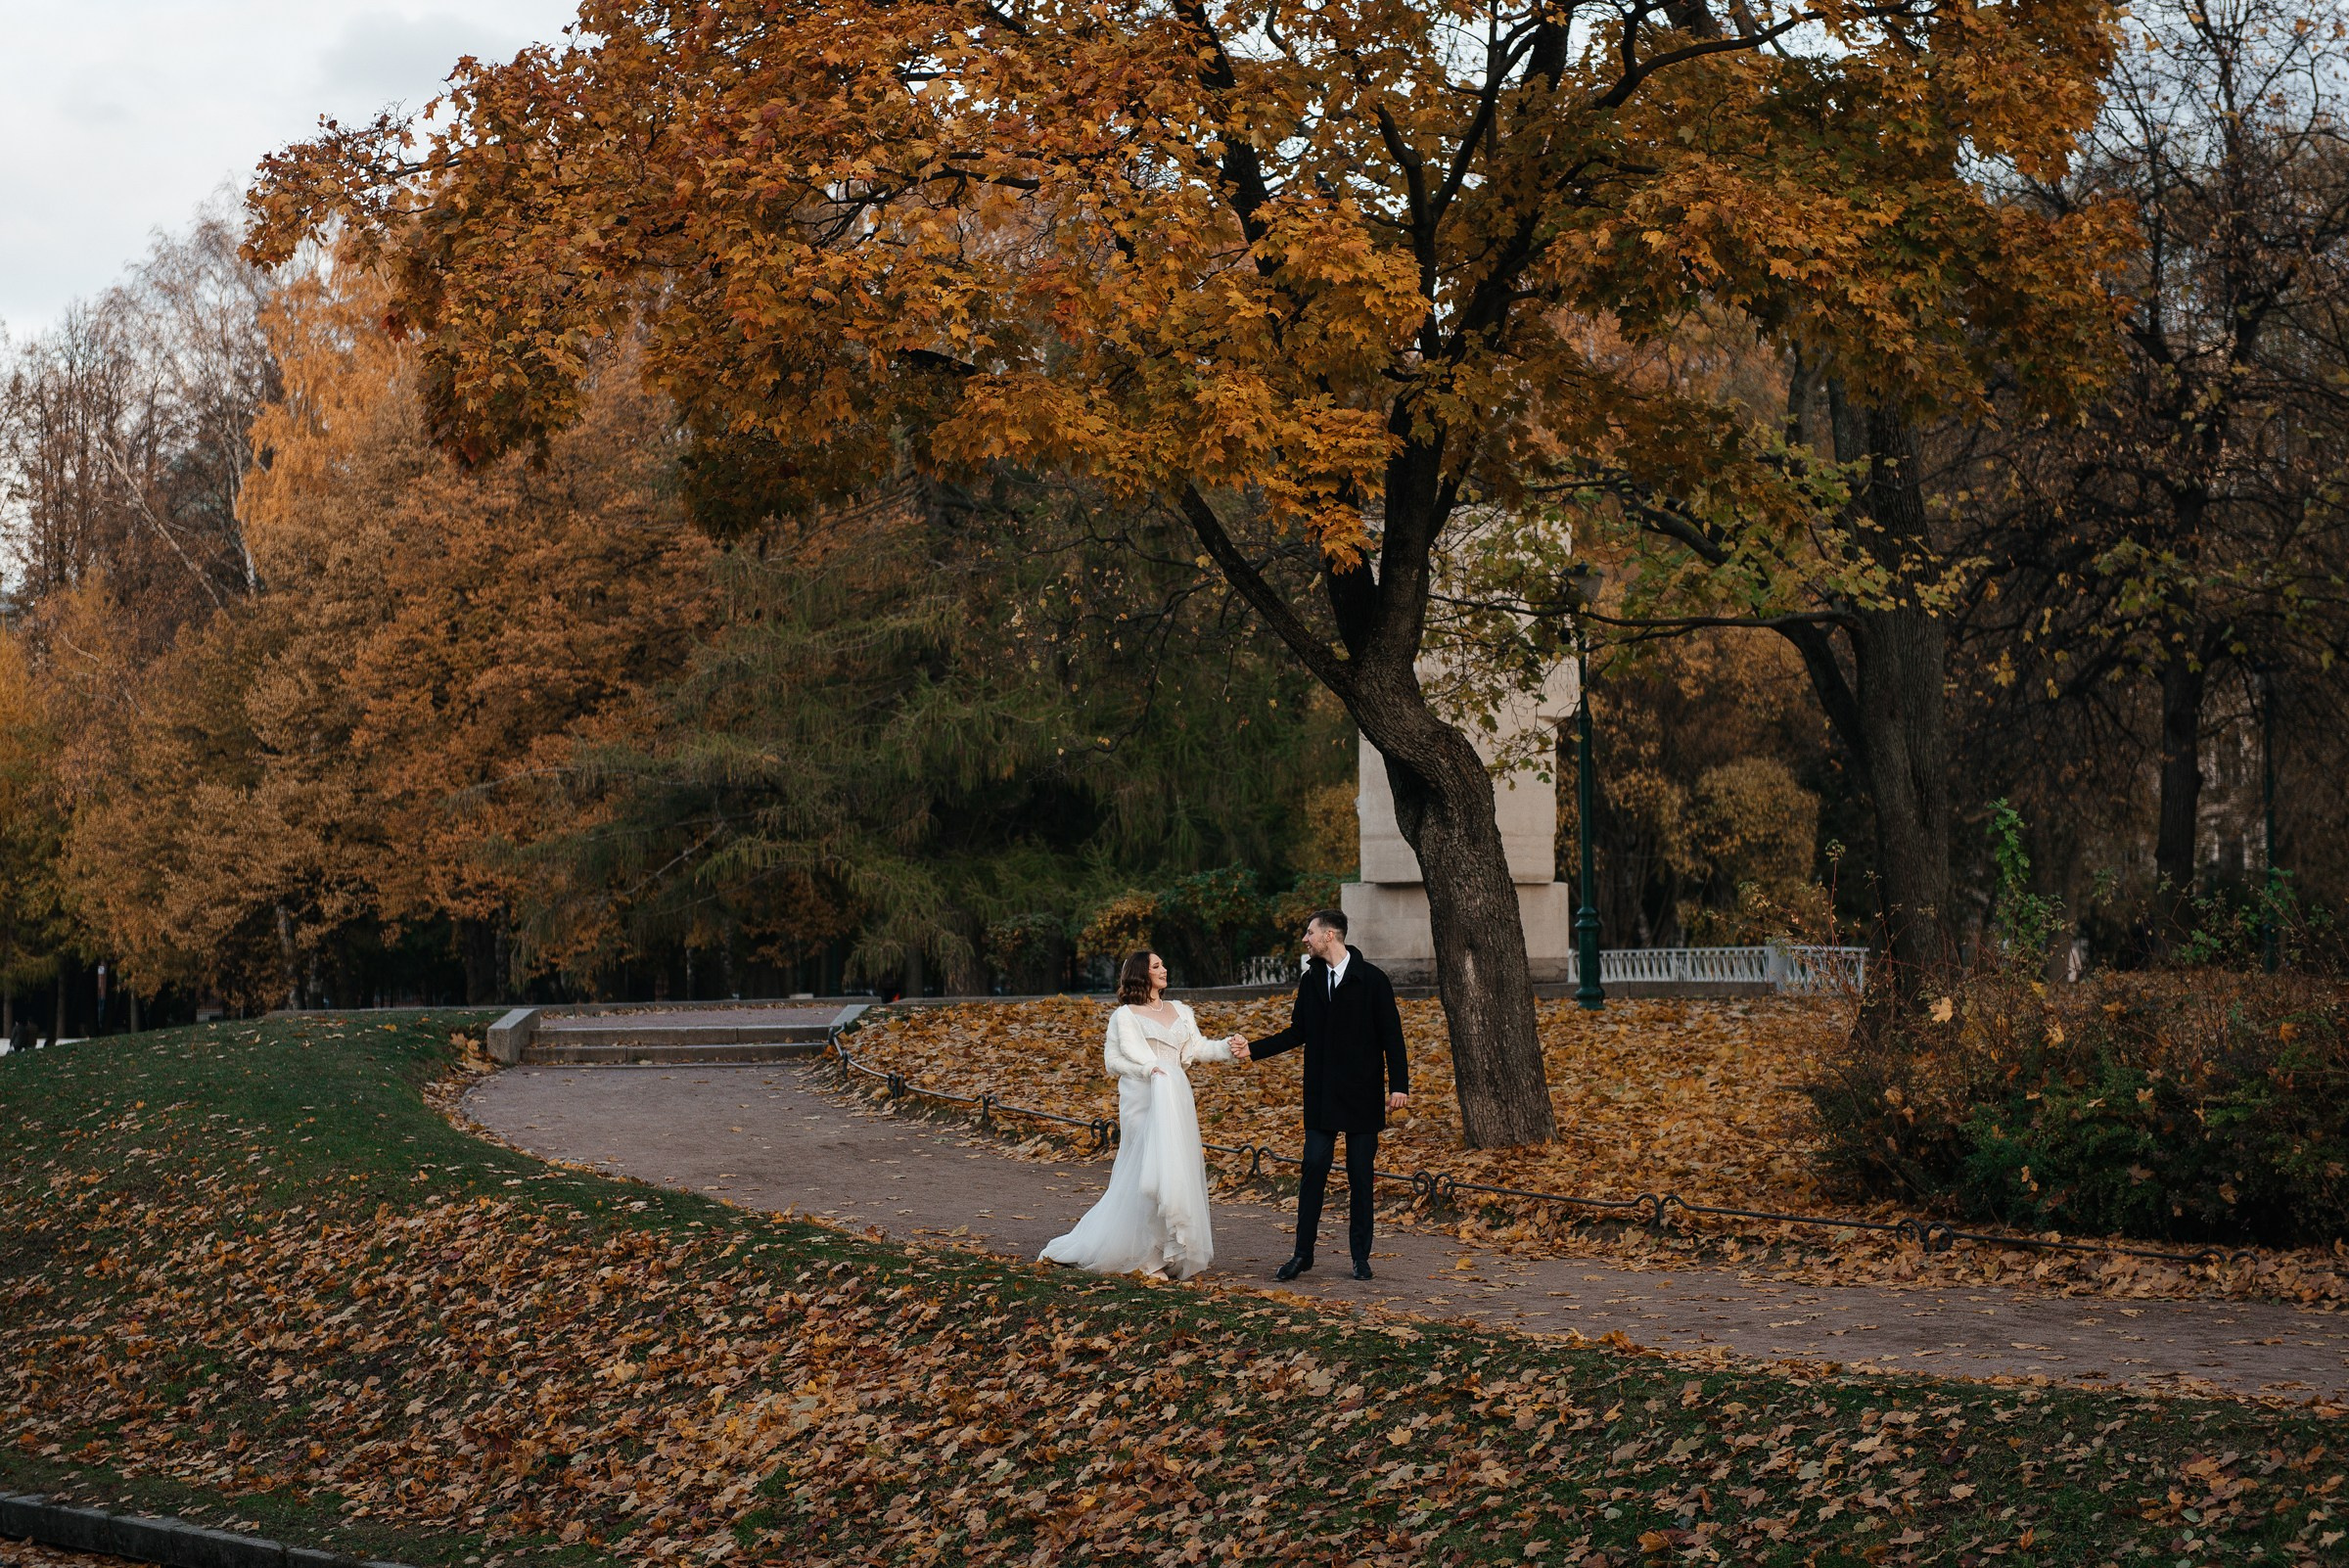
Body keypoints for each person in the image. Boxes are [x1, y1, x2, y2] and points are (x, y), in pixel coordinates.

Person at [1038, 951, 1246, 1280]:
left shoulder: (1180, 1011)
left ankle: (1170, 1249)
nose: (1164, 969)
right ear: (1141, 974)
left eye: (1164, 964)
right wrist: (1150, 1068)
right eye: (1156, 966)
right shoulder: (1125, 1016)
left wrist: (1226, 1046)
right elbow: (1117, 1060)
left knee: (1174, 1171)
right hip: (1144, 1096)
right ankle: (1148, 1258)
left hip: (1175, 1097)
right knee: (1147, 1174)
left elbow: (1196, 1050)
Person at [1229, 907, 1408, 1281]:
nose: (1305, 938)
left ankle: (1360, 1258)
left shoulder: (1373, 980)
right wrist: (1253, 1050)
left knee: (1361, 1176)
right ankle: (1302, 1255)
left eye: (1309, 932)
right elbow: (1298, 1032)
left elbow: (1392, 1036)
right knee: (1313, 1169)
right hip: (1322, 1095)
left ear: (1330, 935)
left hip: (1362, 1094)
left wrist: (1399, 1086)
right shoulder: (1310, 980)